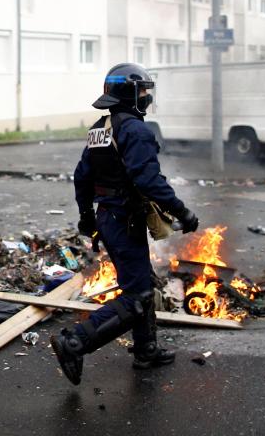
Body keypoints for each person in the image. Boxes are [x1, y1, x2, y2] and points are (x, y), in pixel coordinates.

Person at [50, 62, 200, 385]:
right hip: (124, 221)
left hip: (108, 219)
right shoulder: (135, 130)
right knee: (137, 296)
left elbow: (82, 178)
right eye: (142, 91)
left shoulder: (100, 128)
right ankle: (74, 341)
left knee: (140, 282)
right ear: (128, 94)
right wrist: (182, 212)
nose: (146, 97)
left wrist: (88, 220)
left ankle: (146, 350)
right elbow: (149, 180)